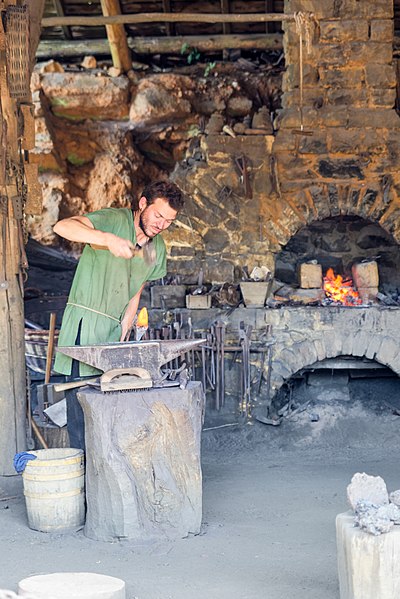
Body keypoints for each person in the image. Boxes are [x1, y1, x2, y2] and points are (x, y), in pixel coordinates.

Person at [53, 180, 185, 449]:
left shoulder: (156, 248)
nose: (161, 225)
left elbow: (137, 289)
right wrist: (107, 239)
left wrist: (126, 328)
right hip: (85, 327)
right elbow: (62, 227)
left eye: (169, 221)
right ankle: (85, 470)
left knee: (111, 409)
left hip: (115, 332)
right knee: (81, 411)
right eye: (158, 216)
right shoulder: (113, 220)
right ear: (143, 204)